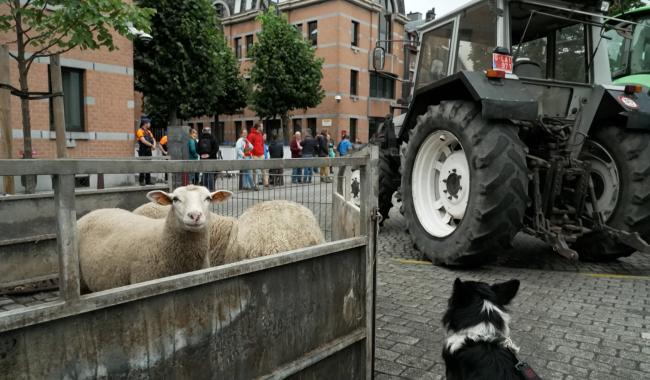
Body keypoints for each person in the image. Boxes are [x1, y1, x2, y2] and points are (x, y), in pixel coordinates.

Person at [197, 126, 218, 191]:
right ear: (210, 131)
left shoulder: (200, 138)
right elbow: (216, 148)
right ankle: (211, 189)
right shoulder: (213, 138)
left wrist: (201, 154)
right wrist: (209, 155)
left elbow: (197, 149)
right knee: (211, 174)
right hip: (212, 159)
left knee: (204, 174)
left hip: (203, 159)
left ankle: (204, 189)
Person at [136, 117, 155, 186]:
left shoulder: (149, 132)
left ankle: (148, 180)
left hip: (149, 151)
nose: (150, 124)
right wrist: (151, 145)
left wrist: (154, 145)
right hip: (142, 151)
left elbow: (153, 139)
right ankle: (141, 181)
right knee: (142, 166)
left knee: (149, 165)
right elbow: (143, 140)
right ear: (145, 124)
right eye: (149, 123)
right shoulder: (139, 131)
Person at [248, 122, 265, 189]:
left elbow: (262, 144)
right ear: (258, 127)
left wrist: (263, 152)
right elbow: (249, 145)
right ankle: (256, 185)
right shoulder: (251, 135)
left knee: (264, 169)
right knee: (255, 171)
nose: (262, 127)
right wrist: (251, 155)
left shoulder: (260, 135)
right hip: (254, 155)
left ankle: (266, 183)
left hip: (261, 155)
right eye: (261, 126)